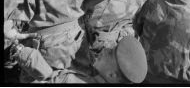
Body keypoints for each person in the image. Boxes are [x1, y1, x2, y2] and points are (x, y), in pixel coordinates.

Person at [8, 35, 148, 84]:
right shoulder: (97, 74)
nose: (106, 48)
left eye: (110, 53)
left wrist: (21, 51)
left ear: (112, 75)